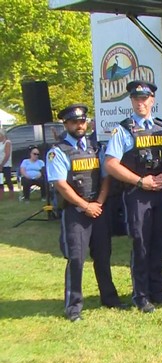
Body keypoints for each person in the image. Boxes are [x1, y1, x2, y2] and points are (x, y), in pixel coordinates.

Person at [47, 104, 127, 322]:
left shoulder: (96, 147)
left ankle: (109, 298)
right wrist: (85, 205)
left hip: (98, 208)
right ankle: (73, 307)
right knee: (76, 258)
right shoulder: (58, 151)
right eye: (74, 122)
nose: (79, 125)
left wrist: (99, 202)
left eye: (82, 121)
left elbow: (106, 177)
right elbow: (61, 185)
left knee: (103, 256)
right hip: (75, 212)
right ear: (65, 124)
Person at [105, 80, 162, 313]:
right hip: (137, 194)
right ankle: (141, 295)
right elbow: (111, 164)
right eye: (136, 99)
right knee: (141, 244)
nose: (140, 103)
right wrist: (138, 180)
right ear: (132, 101)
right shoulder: (123, 130)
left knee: (159, 243)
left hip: (160, 193)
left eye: (144, 99)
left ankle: (159, 292)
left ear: (152, 101)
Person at [0, 128, 13, 199]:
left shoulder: (7, 142)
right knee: (0, 180)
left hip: (6, 164)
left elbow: (7, 154)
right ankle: (1, 195)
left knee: (8, 179)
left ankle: (11, 195)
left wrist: (2, 164)